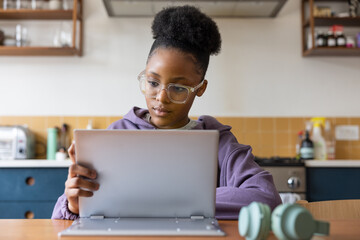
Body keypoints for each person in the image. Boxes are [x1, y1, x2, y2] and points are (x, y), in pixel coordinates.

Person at [52, 5, 281, 220]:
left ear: (199, 89)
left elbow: (267, 198)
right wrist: (73, 204)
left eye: (179, 88)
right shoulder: (116, 135)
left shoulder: (219, 141)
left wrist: (149, 204)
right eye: (152, 82)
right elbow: (62, 217)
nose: (161, 98)